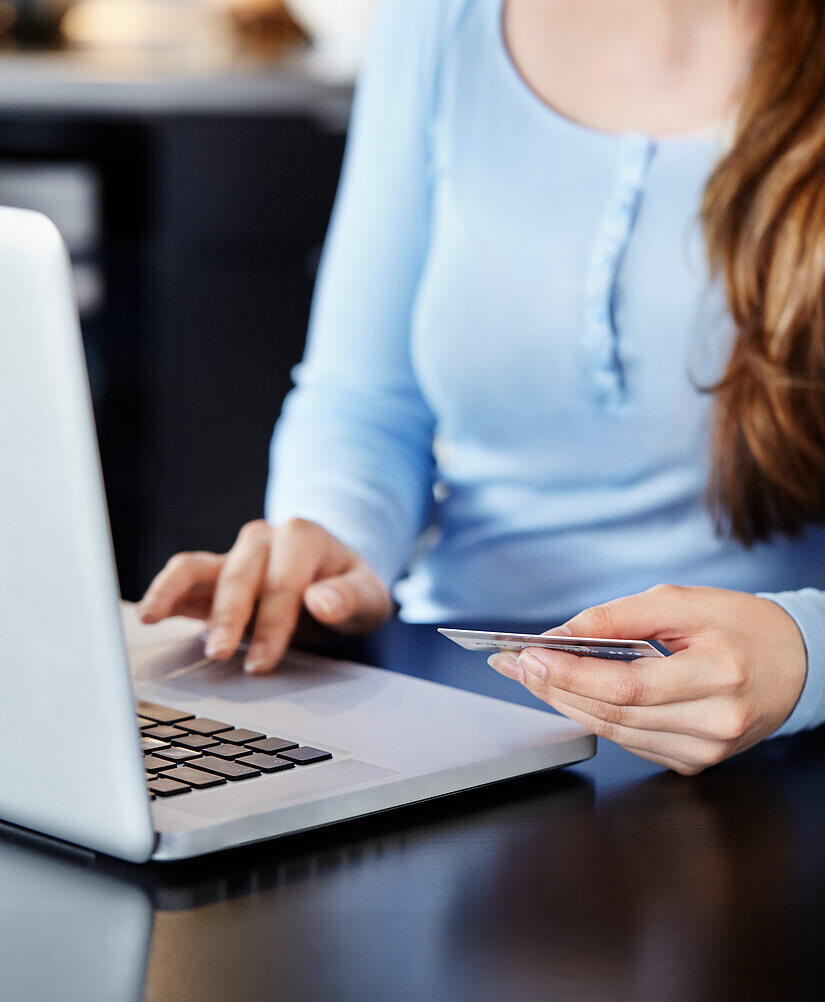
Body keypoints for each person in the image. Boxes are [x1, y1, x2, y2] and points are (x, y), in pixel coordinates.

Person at [137, 0, 825, 774]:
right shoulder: (440, 22)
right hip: (458, 705)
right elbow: (365, 402)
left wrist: (807, 653)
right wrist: (338, 541)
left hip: (779, 746)